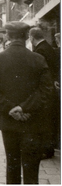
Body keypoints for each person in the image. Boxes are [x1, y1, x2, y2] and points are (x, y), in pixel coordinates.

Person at [0, 21, 54, 184]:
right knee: (31, 168)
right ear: (26, 37)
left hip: (8, 122)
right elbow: (47, 90)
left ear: (8, 36)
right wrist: (24, 107)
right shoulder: (38, 59)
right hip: (33, 120)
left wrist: (11, 109)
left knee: (12, 165)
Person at [29, 27, 60, 159]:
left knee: (44, 120)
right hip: (51, 89)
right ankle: (49, 148)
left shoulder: (40, 50)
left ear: (32, 38)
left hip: (44, 91)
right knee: (49, 119)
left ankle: (46, 150)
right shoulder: (48, 47)